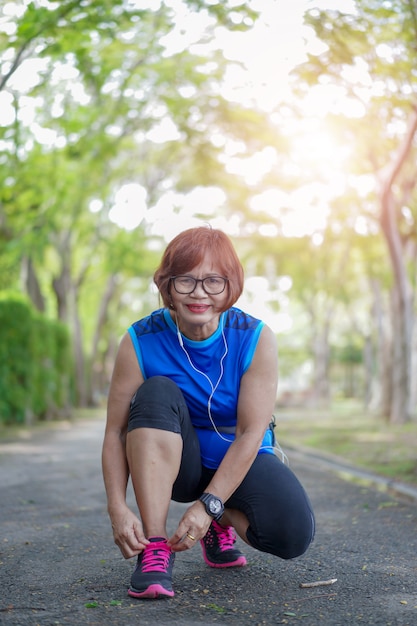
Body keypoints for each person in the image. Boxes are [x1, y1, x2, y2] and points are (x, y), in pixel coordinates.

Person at [102, 225, 315, 599]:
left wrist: (209, 506)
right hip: (179, 466)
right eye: (185, 280)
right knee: (155, 391)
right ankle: (155, 550)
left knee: (291, 532)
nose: (199, 292)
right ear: (167, 285)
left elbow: (252, 432)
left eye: (213, 281)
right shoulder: (140, 339)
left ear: (230, 285)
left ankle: (217, 519)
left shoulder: (254, 337)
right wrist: (117, 508)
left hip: (238, 461)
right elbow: (116, 433)